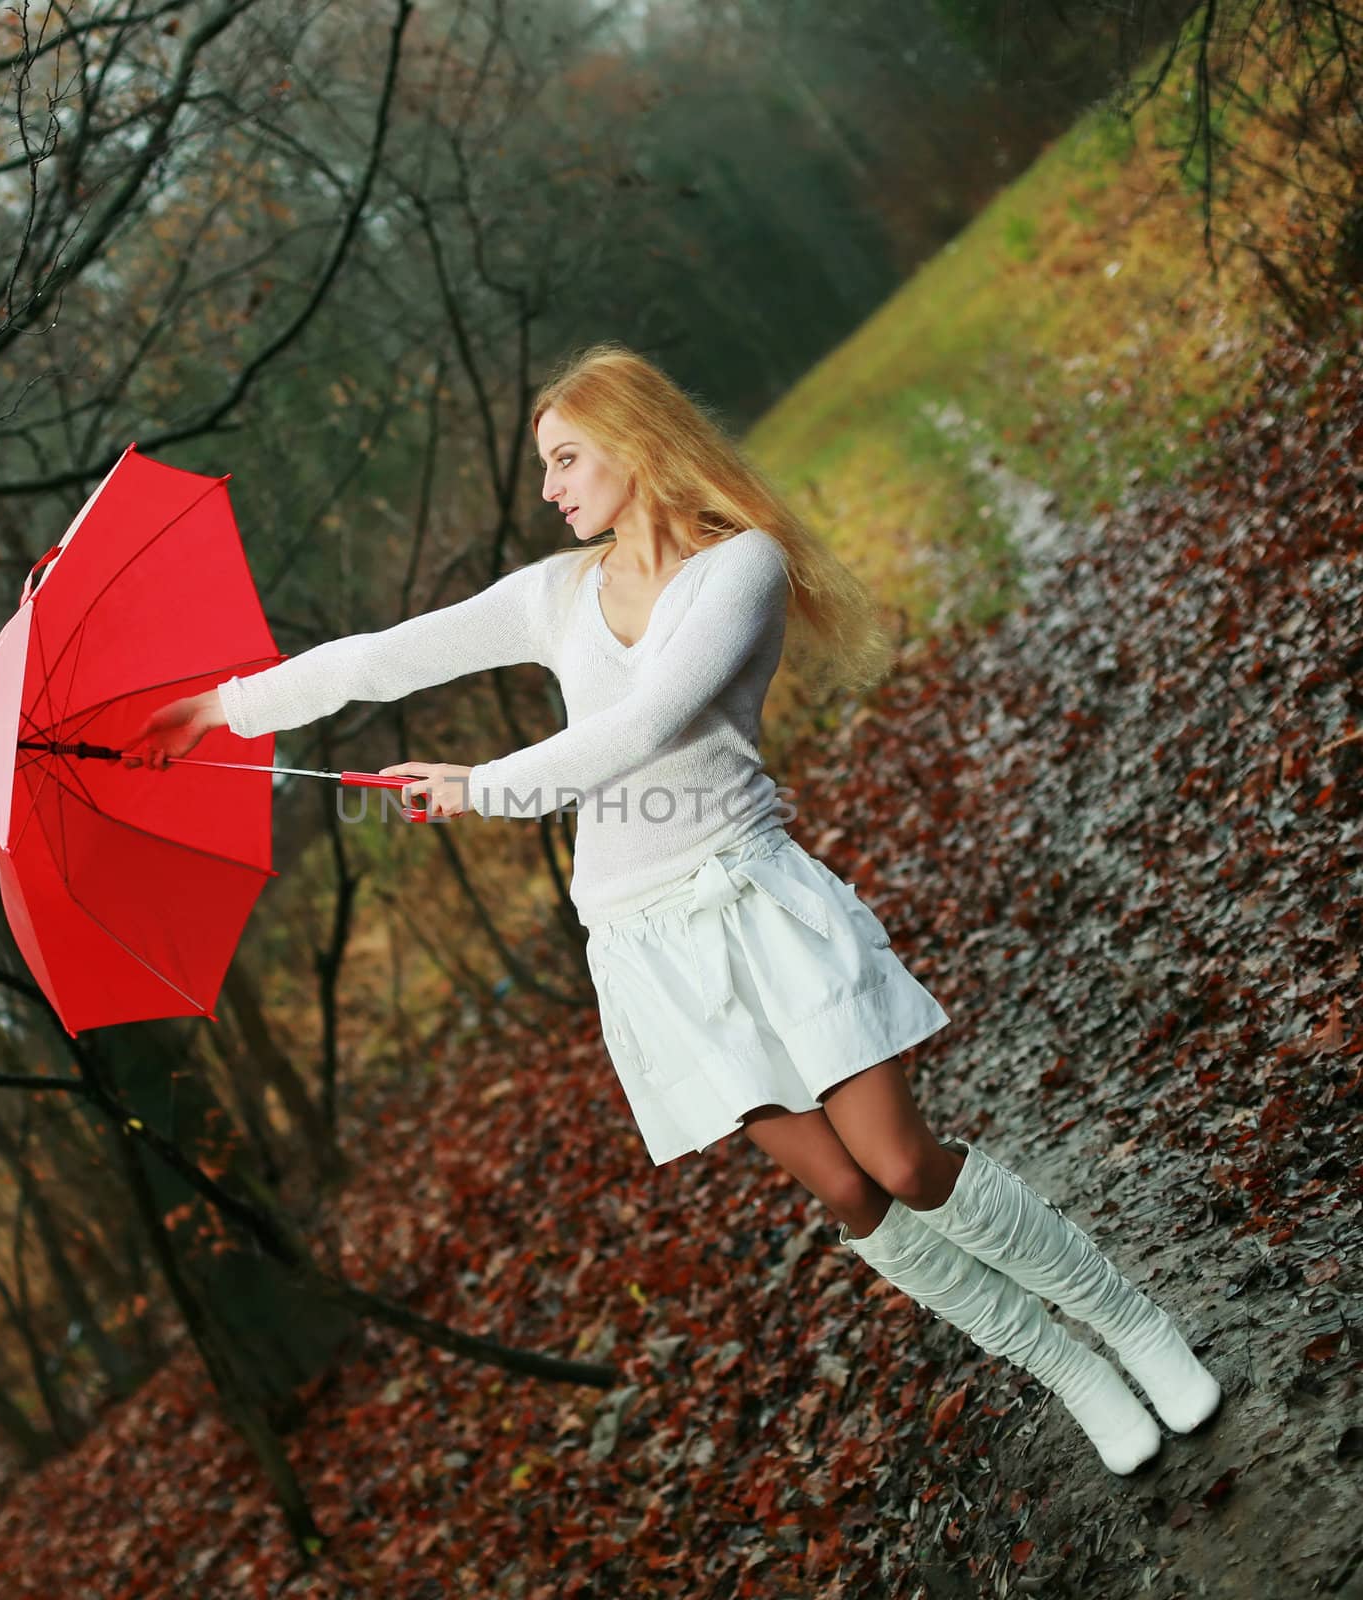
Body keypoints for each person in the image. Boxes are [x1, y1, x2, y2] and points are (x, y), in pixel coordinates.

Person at [123, 342, 1222, 1477]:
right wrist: (219, 707)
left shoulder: (737, 568)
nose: (548, 488)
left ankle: (1129, 1320)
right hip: (641, 941)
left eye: (564, 458)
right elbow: (385, 658)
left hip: (750, 894)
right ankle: (1070, 1368)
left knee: (897, 1159)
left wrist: (478, 786)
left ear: (635, 444)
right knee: (845, 1193)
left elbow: (642, 727)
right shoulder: (555, 596)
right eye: (544, 466)